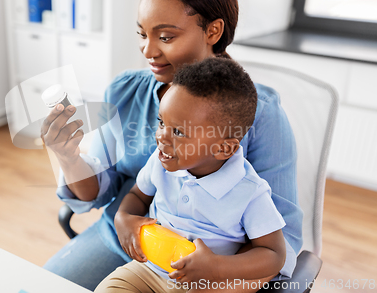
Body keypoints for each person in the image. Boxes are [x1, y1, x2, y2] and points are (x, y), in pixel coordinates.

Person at [41, 0, 303, 291]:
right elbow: (101, 190)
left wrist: (217, 272)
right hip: (127, 242)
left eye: (165, 36)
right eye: (142, 34)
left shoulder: (259, 115)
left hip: (207, 268)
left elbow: (283, 243)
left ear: (213, 31)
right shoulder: (124, 92)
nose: (148, 51)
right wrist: (69, 157)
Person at [95, 57, 287, 293]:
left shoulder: (249, 191)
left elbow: (274, 254)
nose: (161, 137)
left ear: (223, 148)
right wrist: (123, 217)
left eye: (177, 131)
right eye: (161, 122)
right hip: (148, 270)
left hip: (205, 284)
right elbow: (138, 194)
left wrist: (218, 267)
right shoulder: (160, 160)